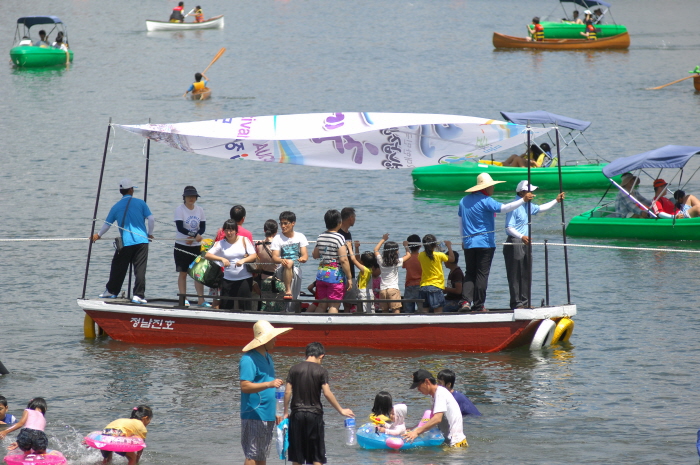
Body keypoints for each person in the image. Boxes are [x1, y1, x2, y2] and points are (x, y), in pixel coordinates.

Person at [458, 173, 534, 312]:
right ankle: (479, 305)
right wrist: (523, 200)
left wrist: (462, 239)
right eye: (492, 185)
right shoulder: (487, 200)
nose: (493, 188)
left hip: (468, 242)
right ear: (487, 187)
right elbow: (505, 208)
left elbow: (460, 221)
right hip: (485, 243)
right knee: (482, 274)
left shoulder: (463, 201)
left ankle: (465, 302)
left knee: (470, 272)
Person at [283, 342, 354, 465]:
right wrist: (341, 410)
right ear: (321, 356)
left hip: (297, 415)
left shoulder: (294, 369)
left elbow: (287, 392)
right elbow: (327, 393)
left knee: (297, 456)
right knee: (317, 456)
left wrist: (285, 412)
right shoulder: (321, 371)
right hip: (314, 416)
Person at [503, 181, 565, 310]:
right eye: (529, 192)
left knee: (526, 272)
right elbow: (509, 227)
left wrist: (556, 200)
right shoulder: (513, 206)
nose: (532, 194)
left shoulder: (527, 205)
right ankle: (516, 303)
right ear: (521, 193)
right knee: (515, 274)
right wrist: (521, 237)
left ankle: (525, 301)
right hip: (515, 241)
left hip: (525, 242)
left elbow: (541, 208)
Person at [92, 178, 155, 304]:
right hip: (142, 241)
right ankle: (138, 295)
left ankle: (111, 291)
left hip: (126, 242)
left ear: (121, 191)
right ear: (131, 190)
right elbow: (151, 219)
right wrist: (150, 234)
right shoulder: (141, 203)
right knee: (140, 270)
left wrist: (98, 235)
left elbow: (107, 225)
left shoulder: (116, 206)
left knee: (118, 266)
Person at [240, 321, 292, 465]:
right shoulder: (248, 359)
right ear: (265, 340)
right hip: (255, 412)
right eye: (272, 337)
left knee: (262, 454)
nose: (275, 340)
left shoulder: (268, 357)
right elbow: (245, 386)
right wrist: (269, 384)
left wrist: (276, 410)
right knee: (252, 455)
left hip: (267, 413)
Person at [404, 370, 467, 448]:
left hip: (455, 443)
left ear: (427, 382)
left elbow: (437, 419)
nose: (418, 389)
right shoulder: (435, 394)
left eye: (418, 386)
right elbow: (430, 419)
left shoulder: (440, 393)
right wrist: (413, 429)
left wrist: (416, 432)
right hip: (449, 442)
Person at [205, 219, 257, 311]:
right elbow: (208, 255)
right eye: (227, 230)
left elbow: (253, 255)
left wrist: (243, 260)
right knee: (226, 307)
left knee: (245, 307)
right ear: (224, 231)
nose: (229, 233)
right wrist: (221, 259)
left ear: (236, 231)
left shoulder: (244, 240)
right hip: (228, 280)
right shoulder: (221, 243)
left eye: (231, 230)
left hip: (244, 279)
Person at [311, 210, 353, 314]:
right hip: (335, 276)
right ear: (339, 222)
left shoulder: (320, 236)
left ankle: (317, 326)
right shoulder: (339, 237)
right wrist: (349, 277)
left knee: (322, 304)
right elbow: (343, 259)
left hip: (321, 274)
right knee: (334, 305)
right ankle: (331, 328)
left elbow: (315, 255)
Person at [173, 186, 207, 307]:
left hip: (196, 245)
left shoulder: (200, 210)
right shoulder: (180, 209)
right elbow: (180, 228)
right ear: (184, 197)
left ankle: (201, 300)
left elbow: (202, 227)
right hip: (182, 244)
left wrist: (194, 238)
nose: (191, 198)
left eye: (194, 196)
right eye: (189, 196)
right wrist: (193, 235)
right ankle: (184, 298)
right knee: (183, 273)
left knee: (198, 273)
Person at [270, 211, 309, 309]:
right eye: (281, 223)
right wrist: (281, 260)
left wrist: (303, 259)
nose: (283, 226)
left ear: (293, 223)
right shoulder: (277, 238)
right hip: (281, 269)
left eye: (285, 223)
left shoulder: (300, 236)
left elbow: (305, 255)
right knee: (289, 262)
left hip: (296, 270)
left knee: (294, 299)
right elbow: (274, 257)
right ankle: (288, 290)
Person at [374, 234, 411, 314]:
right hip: (393, 289)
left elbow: (376, 250)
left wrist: (383, 239)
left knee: (384, 312)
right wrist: (406, 246)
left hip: (383, 290)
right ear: (396, 251)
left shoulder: (381, 260)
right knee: (396, 311)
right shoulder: (396, 262)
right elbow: (408, 255)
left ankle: (385, 326)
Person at [418, 235, 454, 314]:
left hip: (423, 286)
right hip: (436, 286)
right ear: (434, 244)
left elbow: (429, 253)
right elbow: (452, 258)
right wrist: (449, 246)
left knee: (424, 311)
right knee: (438, 312)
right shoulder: (439, 255)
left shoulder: (420, 255)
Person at [256, 220, 286, 312]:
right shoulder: (280, 244)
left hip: (264, 279)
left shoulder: (258, 244)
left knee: (264, 305)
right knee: (279, 306)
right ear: (276, 231)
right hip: (278, 279)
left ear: (264, 230)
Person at [338, 207, 357, 312]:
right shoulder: (338, 233)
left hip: (351, 271)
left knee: (348, 303)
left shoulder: (348, 233)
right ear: (350, 218)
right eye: (354, 217)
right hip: (340, 272)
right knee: (335, 301)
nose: (355, 220)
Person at [352, 245, 378, 313]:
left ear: (362, 262)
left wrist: (349, 247)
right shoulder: (370, 268)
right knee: (370, 311)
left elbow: (354, 260)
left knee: (365, 312)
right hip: (368, 293)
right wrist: (356, 247)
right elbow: (357, 259)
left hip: (364, 293)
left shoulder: (364, 269)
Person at [401, 234, 422, 313]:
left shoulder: (407, 258)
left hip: (409, 286)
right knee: (422, 310)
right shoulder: (422, 257)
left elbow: (404, 265)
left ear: (409, 246)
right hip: (420, 285)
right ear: (420, 245)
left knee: (408, 311)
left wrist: (405, 247)